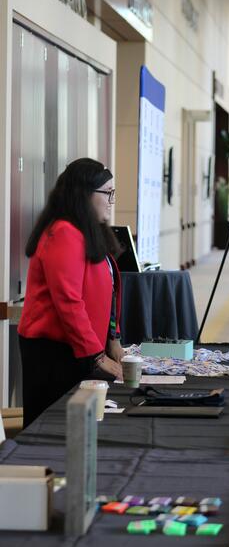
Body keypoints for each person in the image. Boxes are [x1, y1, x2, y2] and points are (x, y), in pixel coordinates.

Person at [18, 158, 124, 428]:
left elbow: (106, 294)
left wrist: (112, 339)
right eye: (107, 192)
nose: (112, 200)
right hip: (55, 352)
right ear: (84, 194)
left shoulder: (88, 231)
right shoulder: (64, 233)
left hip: (77, 348)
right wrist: (96, 356)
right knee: (54, 429)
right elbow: (68, 301)